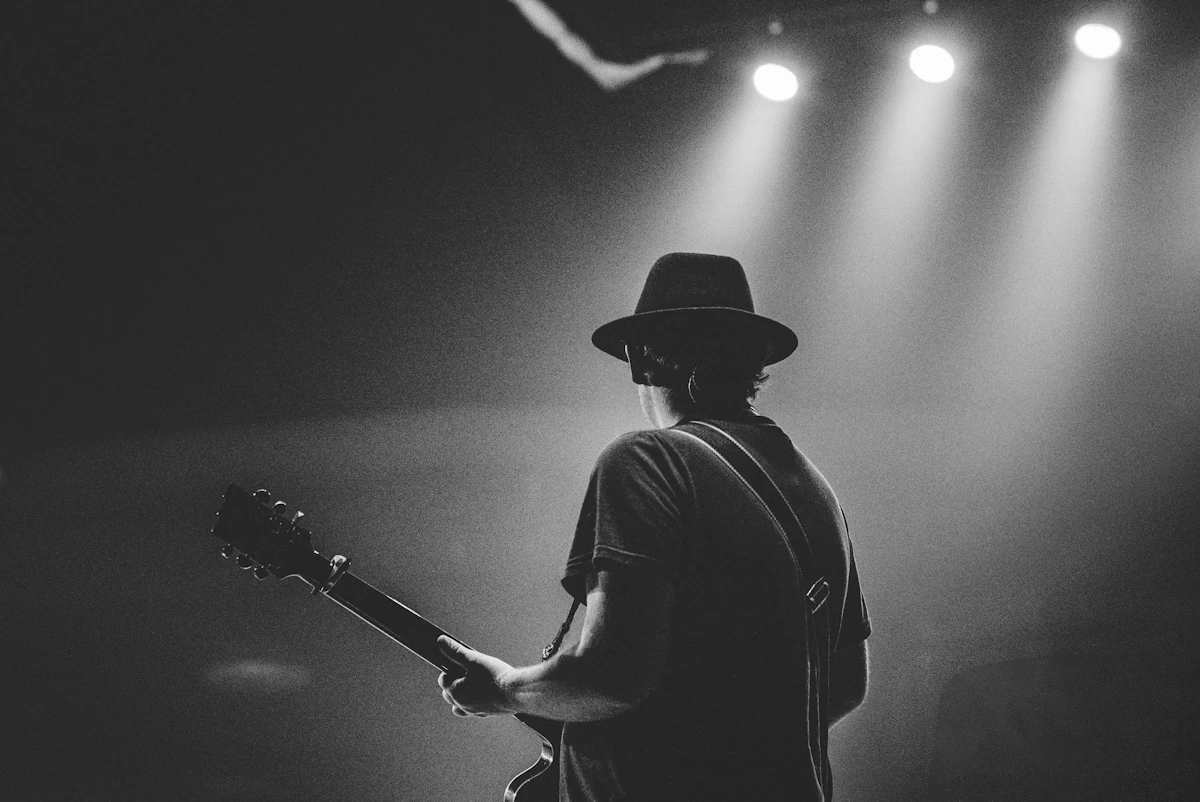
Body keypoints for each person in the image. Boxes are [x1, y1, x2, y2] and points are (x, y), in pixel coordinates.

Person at [437, 252, 871, 800]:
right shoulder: (815, 491)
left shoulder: (647, 459)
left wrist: (506, 689)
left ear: (645, 359)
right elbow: (846, 683)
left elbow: (611, 675)